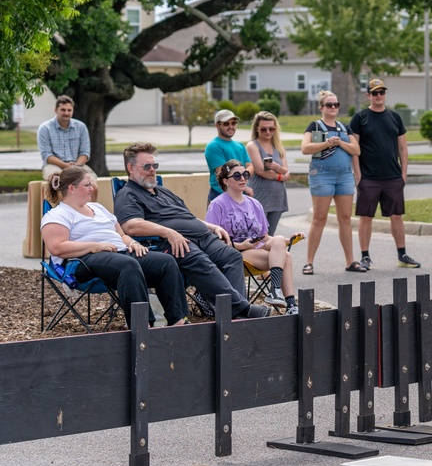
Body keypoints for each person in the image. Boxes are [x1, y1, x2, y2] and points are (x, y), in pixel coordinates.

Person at [114, 142, 271, 319]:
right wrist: (168, 232)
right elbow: (131, 225)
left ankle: (233, 313)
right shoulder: (128, 194)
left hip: (203, 237)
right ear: (130, 168)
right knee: (201, 261)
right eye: (147, 166)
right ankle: (242, 310)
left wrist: (212, 227)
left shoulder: (163, 191)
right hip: (173, 243)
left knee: (232, 257)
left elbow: (186, 217)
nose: (152, 170)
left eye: (155, 165)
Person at [41, 166, 189, 328]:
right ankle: (142, 325)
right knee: (127, 265)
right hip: (83, 261)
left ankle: (177, 322)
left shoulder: (98, 208)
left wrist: (133, 243)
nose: (92, 188)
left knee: (165, 262)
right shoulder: (58, 215)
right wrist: (94, 246)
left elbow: (121, 234)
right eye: (87, 185)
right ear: (72, 188)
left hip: (119, 252)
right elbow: (57, 248)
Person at [206, 161, 304, 314]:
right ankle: (290, 304)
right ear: (225, 181)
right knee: (286, 256)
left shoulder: (254, 203)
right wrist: (240, 246)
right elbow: (213, 241)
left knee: (278, 240)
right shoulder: (218, 205)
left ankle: (277, 292)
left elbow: (264, 237)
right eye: (237, 176)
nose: (243, 179)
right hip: (234, 253)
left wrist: (288, 240)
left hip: (257, 249)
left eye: (245, 175)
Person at [349, 78, 420, 269]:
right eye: (374, 93)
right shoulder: (360, 118)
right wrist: (358, 175)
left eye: (381, 92)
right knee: (366, 217)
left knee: (396, 216)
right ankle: (365, 256)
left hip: (393, 177)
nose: (378, 96)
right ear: (368, 95)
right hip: (368, 177)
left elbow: (403, 148)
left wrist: (404, 173)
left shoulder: (395, 117)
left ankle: (402, 255)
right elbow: (354, 149)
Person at [300, 90, 365, 274]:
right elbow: (305, 148)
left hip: (344, 176)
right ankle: (309, 262)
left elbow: (356, 150)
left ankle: (350, 261)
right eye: (329, 105)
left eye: (336, 104)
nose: (333, 107)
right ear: (321, 107)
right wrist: (328, 143)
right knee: (319, 218)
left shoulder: (345, 127)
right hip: (322, 175)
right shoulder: (315, 126)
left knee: (345, 219)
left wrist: (340, 143)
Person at [245, 111, 289, 237]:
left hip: (277, 197)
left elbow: (286, 170)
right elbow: (260, 171)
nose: (268, 132)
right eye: (264, 129)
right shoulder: (253, 145)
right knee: (257, 236)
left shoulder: (278, 146)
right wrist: (280, 176)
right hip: (260, 196)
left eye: (271, 129)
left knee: (271, 235)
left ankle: (270, 257)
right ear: (257, 129)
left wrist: (278, 168)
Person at [37, 95, 93, 182]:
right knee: (59, 181)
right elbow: (47, 156)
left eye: (69, 110)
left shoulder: (81, 127)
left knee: (92, 182)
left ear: (73, 111)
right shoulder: (45, 128)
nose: (66, 113)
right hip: (53, 166)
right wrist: (66, 166)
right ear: (56, 110)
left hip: (77, 165)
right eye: (63, 110)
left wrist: (75, 167)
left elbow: (85, 153)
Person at [205, 109, 252, 203]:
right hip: (221, 195)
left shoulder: (240, 146)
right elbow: (223, 171)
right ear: (217, 125)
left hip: (240, 194)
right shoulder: (214, 146)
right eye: (226, 124)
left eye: (233, 123)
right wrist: (244, 186)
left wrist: (241, 178)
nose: (231, 126)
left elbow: (250, 166)